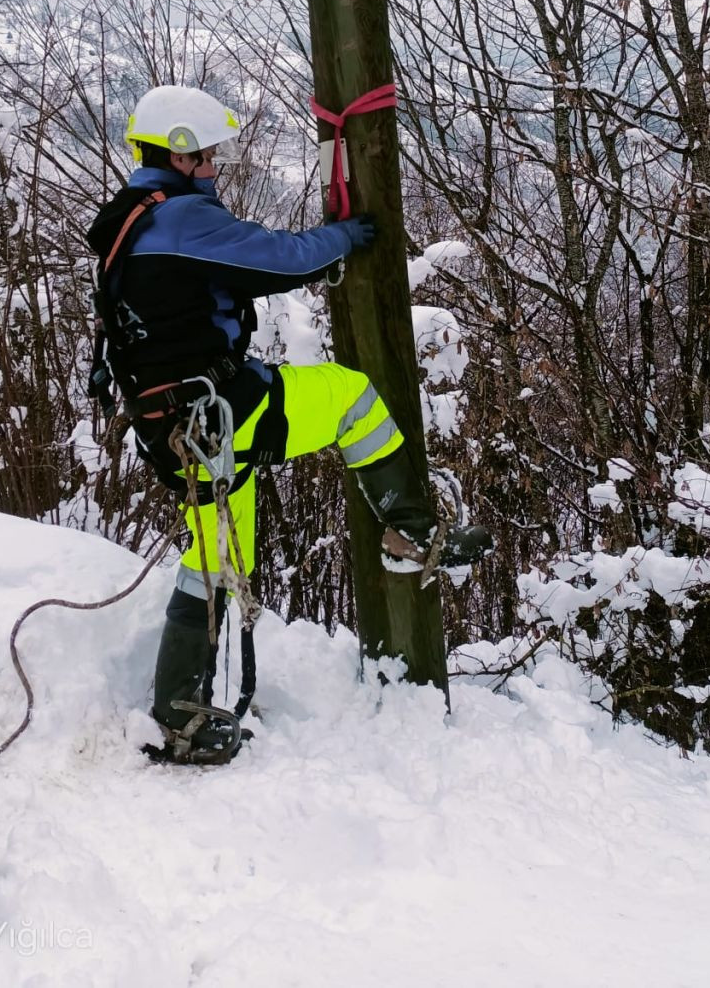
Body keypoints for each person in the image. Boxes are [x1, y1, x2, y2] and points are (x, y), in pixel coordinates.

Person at [86, 84, 492, 760]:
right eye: (208, 154)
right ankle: (412, 531)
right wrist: (345, 239)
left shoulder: (130, 221)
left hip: (176, 425)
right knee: (350, 396)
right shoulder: (180, 221)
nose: (215, 165)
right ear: (181, 150)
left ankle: (178, 712)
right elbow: (278, 256)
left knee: (213, 558)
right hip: (219, 410)